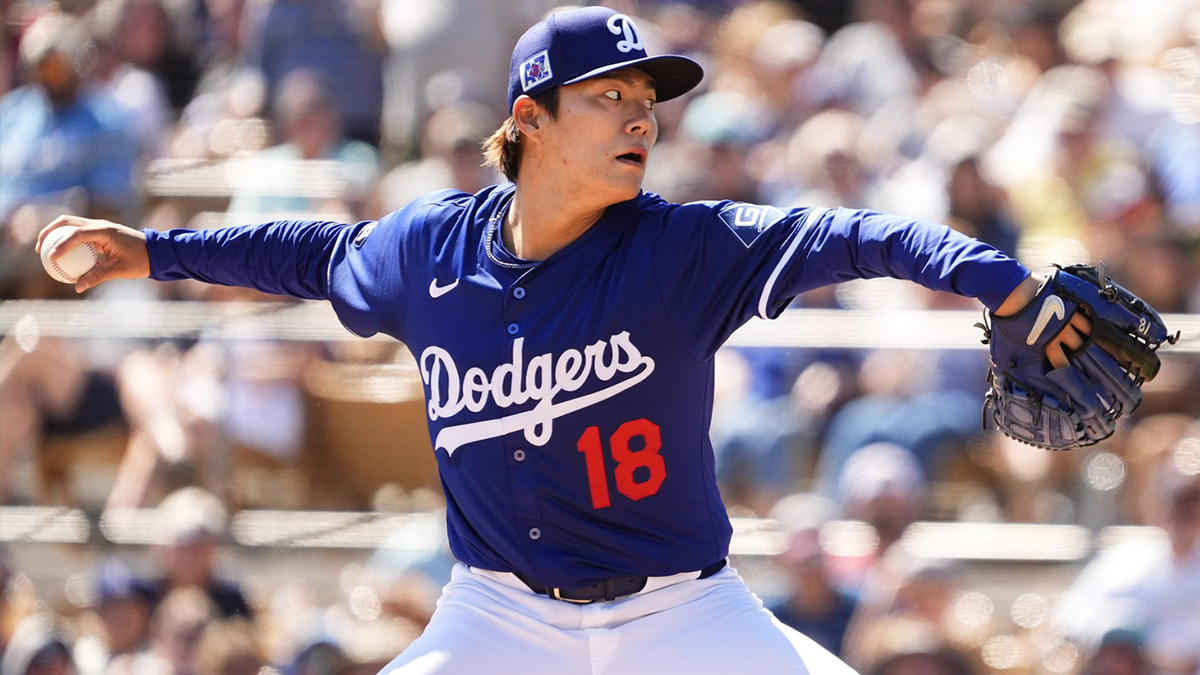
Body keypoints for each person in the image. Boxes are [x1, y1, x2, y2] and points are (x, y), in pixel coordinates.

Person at [38, 7, 1093, 673]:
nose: (643, 117)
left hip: (684, 619)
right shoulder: (426, 251)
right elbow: (307, 254)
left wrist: (1001, 280)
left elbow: (854, 235)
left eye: (648, 99)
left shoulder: (684, 246)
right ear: (528, 119)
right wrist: (151, 252)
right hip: (496, 621)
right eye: (611, 98)